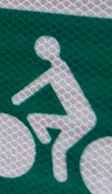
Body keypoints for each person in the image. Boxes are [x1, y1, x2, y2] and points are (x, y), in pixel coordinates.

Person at [12, 36, 97, 183]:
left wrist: (18, 98)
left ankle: (45, 144)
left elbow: (35, 86)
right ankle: (48, 148)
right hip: (79, 118)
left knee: (40, 126)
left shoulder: (57, 70)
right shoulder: (59, 68)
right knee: (58, 149)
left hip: (80, 119)